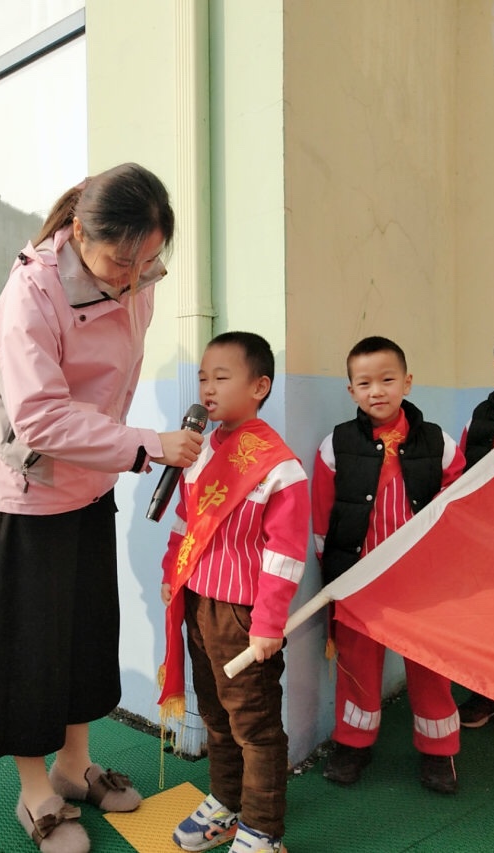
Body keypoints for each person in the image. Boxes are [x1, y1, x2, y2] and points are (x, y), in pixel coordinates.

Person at [0, 163, 204, 853]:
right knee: (31, 647)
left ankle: (74, 767)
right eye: (121, 261)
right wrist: (147, 445)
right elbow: (40, 418)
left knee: (84, 634)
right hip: (30, 493)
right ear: (78, 233)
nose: (134, 277)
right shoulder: (32, 293)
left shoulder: (139, 279)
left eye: (148, 259)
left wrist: (122, 452)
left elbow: (112, 381)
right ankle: (34, 789)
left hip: (91, 483)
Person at [159, 332, 310, 853]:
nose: (208, 388)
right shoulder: (198, 449)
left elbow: (285, 556)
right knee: (216, 717)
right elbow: (185, 522)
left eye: (222, 378)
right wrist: (170, 572)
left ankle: (263, 830)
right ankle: (226, 803)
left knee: (255, 725)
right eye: (203, 377)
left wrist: (268, 624)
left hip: (244, 616)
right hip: (199, 603)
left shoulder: (280, 466)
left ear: (259, 386)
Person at [312, 335, 465, 794]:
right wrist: (335, 574)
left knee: (431, 665)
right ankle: (353, 744)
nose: (376, 391)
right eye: (364, 383)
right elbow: (322, 517)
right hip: (360, 580)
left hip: (423, 582)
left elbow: (457, 504)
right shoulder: (335, 445)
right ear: (351, 391)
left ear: (407, 383)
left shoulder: (439, 442)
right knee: (357, 665)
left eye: (386, 380)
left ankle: (439, 751)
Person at [456, 334, 494, 728]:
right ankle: (486, 694)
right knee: (489, 616)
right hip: (489, 535)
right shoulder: (481, 417)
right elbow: (463, 473)